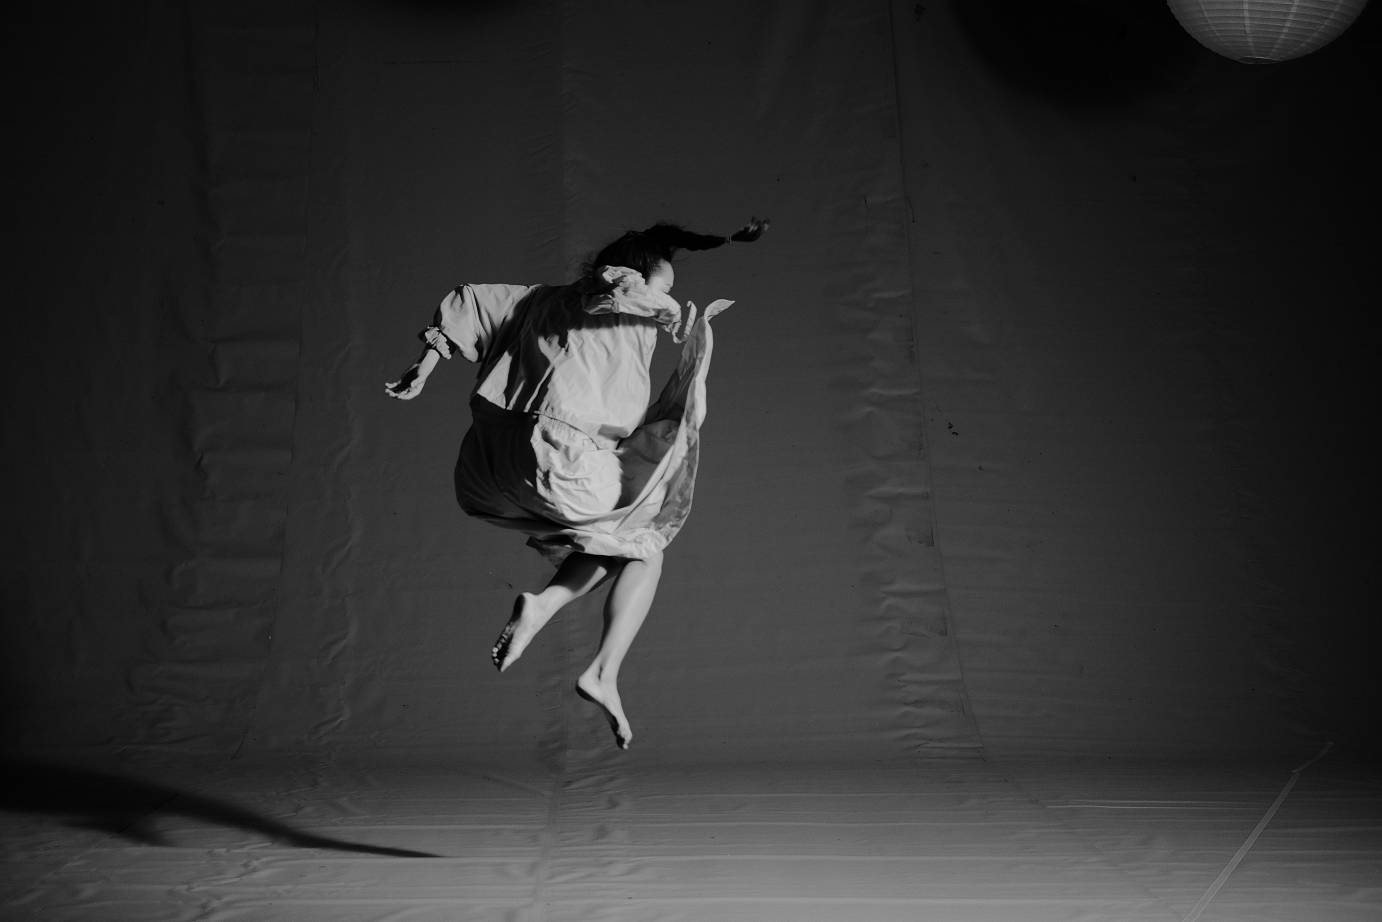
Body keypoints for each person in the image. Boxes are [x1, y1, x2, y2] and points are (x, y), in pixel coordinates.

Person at [385, 219, 767, 749]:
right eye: (663, 284)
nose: (666, 299)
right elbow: (619, 289)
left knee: (620, 539)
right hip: (557, 460)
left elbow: (470, 300)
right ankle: (601, 669)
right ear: (634, 275)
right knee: (648, 536)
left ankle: (545, 611)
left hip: (486, 471)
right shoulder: (620, 292)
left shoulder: (535, 299)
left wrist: (425, 365)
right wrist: (668, 310)